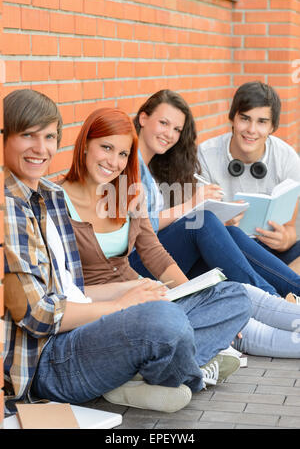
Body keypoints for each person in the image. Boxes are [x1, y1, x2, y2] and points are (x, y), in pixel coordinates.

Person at [3, 89, 250, 416]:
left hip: (94, 321)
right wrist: (121, 303)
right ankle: (186, 369)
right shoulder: (22, 207)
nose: (41, 148)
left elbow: (72, 289)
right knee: (165, 320)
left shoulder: (45, 197)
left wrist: (137, 290)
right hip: (47, 359)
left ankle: (140, 373)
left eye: (49, 137)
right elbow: (38, 315)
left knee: (234, 295)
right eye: (28, 136)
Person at [129, 88, 300, 358]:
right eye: (163, 123)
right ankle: (276, 302)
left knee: (223, 230)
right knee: (203, 221)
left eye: (176, 129)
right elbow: (135, 226)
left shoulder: (153, 166)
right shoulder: (127, 162)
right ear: (143, 118)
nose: (169, 134)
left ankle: (286, 299)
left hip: (160, 258)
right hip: (136, 266)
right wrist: (191, 206)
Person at [198, 81, 300, 275]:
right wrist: (222, 224)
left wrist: (284, 239)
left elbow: (290, 230)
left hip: (269, 250)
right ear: (233, 119)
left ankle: (271, 287)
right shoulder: (205, 154)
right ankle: (282, 290)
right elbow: (196, 225)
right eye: (245, 119)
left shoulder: (288, 159)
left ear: (272, 127)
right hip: (227, 249)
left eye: (262, 122)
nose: (251, 130)